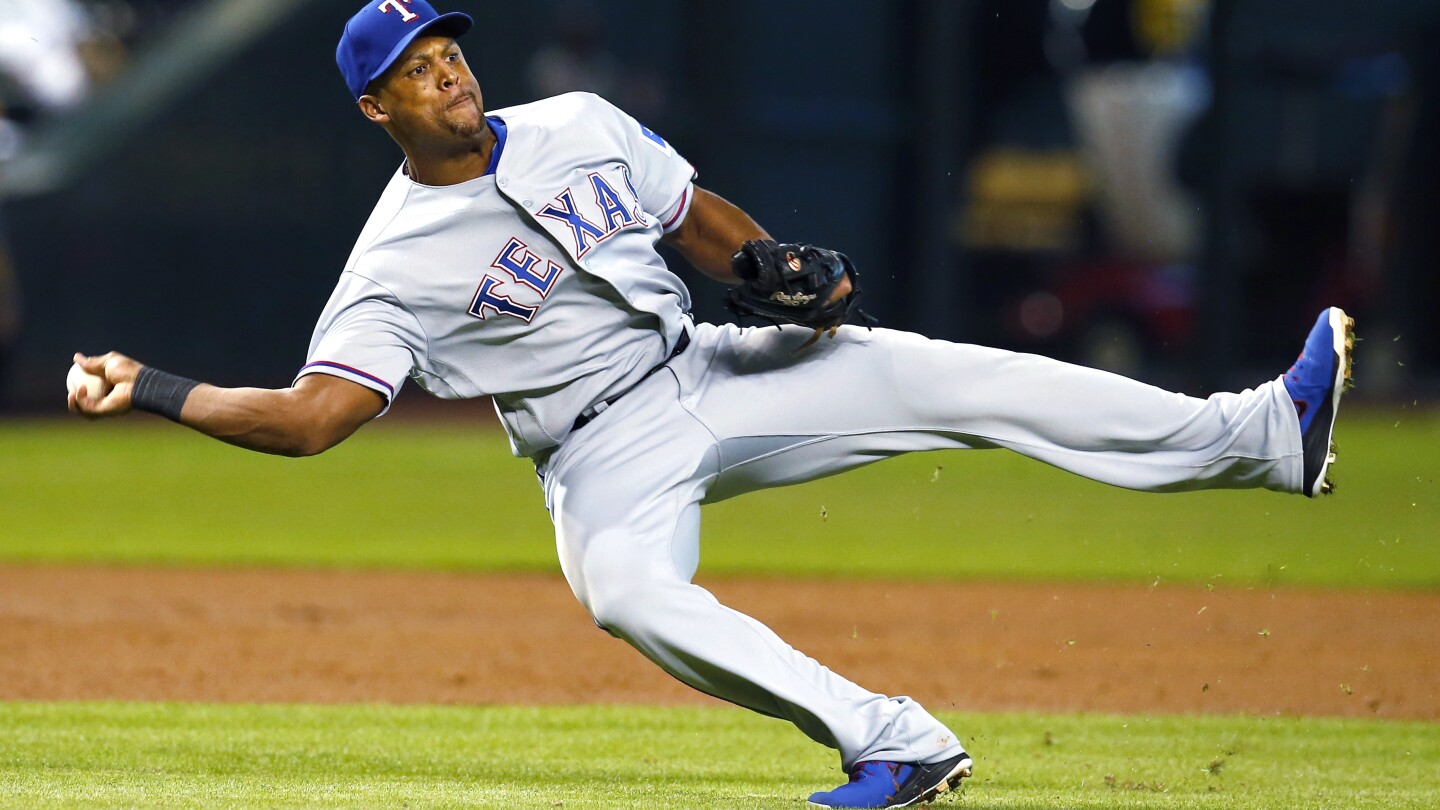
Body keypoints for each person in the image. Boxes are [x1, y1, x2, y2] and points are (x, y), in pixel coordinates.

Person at [69, 2, 1353, 807]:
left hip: (710, 369)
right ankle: (895, 744)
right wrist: (157, 389)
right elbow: (312, 418)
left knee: (958, 375)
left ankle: (1260, 435)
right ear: (375, 107)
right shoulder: (391, 263)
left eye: (450, 48)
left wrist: (771, 269)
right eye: (416, 67)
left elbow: (696, 218)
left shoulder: (574, 119)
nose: (447, 72)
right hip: (598, 455)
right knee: (623, 591)